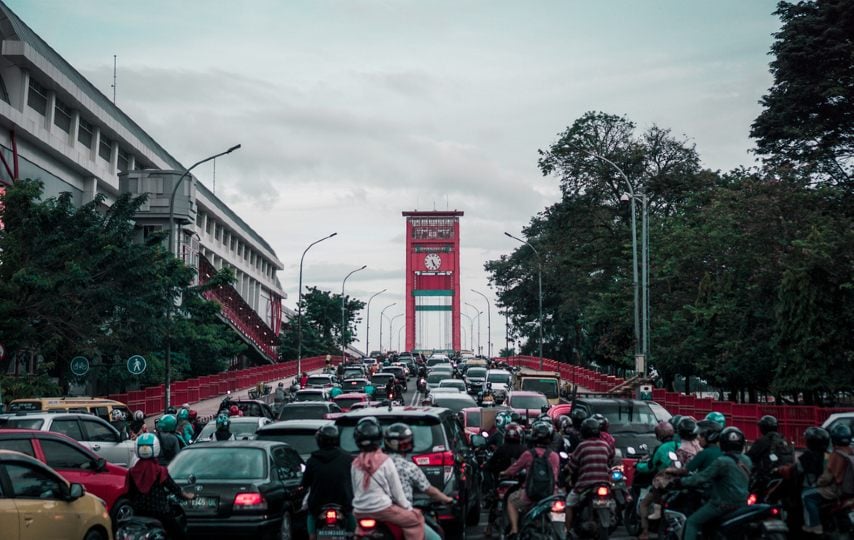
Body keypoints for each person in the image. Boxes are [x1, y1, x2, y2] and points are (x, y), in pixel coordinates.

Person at [351, 417, 425, 540]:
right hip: (382, 510)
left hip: (359, 511)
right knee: (416, 520)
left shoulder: (355, 463)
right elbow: (398, 493)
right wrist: (408, 509)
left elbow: (355, 491)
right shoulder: (385, 461)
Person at [673, 427, 752, 540]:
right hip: (743, 504)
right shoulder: (747, 460)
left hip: (721, 505)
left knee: (692, 522)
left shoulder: (722, 461)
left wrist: (680, 482)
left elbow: (701, 478)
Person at [385, 423, 454, 540]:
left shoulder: (376, 465)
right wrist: (447, 499)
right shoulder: (407, 467)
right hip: (402, 514)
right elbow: (429, 490)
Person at [127, 433, 194, 540]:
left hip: (138, 512)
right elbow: (174, 487)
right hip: (160, 512)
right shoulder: (159, 470)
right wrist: (187, 495)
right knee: (179, 534)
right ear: (156, 448)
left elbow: (129, 493)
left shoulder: (132, 472)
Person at [500, 420, 561, 538]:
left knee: (511, 501)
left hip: (529, 495)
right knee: (559, 515)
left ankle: (514, 529)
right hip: (551, 495)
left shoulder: (529, 454)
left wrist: (503, 473)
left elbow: (513, 469)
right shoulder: (554, 456)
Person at [302, 425, 355, 540]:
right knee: (351, 517)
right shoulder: (347, 459)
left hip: (317, 503)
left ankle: (312, 536)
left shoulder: (312, 461)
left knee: (311, 514)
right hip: (344, 502)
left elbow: (305, 482)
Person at [801, 424, 854, 535]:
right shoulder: (851, 452)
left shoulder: (836, 454)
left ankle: (815, 526)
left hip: (837, 490)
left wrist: (817, 483)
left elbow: (827, 477)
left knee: (806, 496)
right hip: (849, 491)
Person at [564, 418, 614, 535]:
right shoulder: (605, 445)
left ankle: (566, 530)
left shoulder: (582, 446)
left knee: (569, 503)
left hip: (585, 484)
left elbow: (572, 466)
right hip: (604, 482)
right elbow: (610, 461)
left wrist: (565, 472)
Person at [636, 421, 678, 540]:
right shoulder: (679, 444)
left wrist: (638, 466)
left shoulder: (660, 448)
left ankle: (644, 532)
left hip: (664, 481)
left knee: (644, 504)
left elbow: (650, 467)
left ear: (659, 435)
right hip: (679, 480)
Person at [484, 422, 526, 537]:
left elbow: (489, 465)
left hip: (503, 483)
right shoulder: (524, 450)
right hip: (518, 484)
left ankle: (489, 527)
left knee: (493, 501)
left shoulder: (501, 449)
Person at [746, 415, 793, 492]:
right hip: (784, 477)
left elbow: (749, 457)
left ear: (763, 427)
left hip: (767, 477)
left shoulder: (763, 441)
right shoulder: (784, 441)